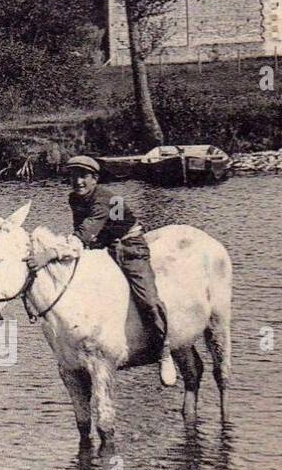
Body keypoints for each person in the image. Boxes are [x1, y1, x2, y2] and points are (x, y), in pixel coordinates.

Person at [28, 154, 177, 386]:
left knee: (147, 297)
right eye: (74, 176)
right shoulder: (75, 199)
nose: (78, 181)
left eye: (84, 176)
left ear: (95, 178)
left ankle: (164, 349)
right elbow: (83, 234)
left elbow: (83, 233)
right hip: (102, 248)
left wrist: (50, 253)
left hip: (130, 247)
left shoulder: (106, 199)